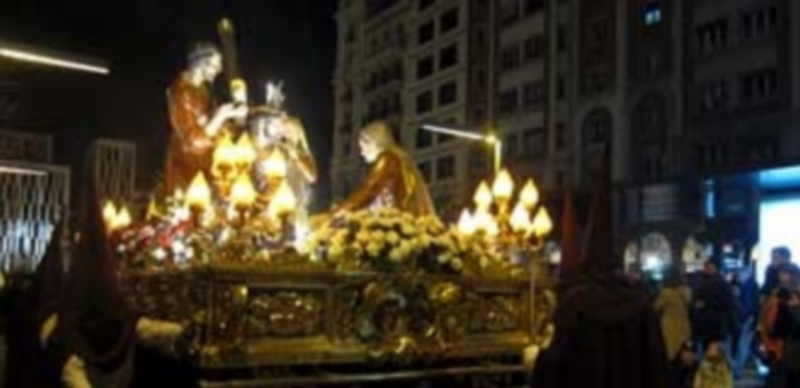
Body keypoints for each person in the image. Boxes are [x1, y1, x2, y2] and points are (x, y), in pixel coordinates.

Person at [530, 151, 667, 388]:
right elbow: (658, 368)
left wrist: (535, 359)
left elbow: (554, 367)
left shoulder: (573, 305)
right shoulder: (642, 304)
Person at [165, 42, 248, 194]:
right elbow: (192, 142)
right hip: (186, 168)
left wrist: (232, 117)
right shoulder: (181, 92)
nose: (219, 69)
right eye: (215, 64)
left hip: (208, 166)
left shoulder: (204, 90)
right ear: (200, 63)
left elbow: (212, 125)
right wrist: (221, 115)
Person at [331, 121, 435, 217]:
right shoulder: (399, 158)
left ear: (372, 141)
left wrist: (339, 211)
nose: (361, 153)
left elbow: (369, 190)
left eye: (362, 147)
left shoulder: (387, 159)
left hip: (396, 221)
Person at [692, 259, 739, 359]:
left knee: (710, 352)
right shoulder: (723, 283)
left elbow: (700, 303)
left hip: (710, 325)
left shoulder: (709, 283)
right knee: (717, 353)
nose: (705, 269)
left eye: (707, 266)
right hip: (718, 325)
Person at [655, 269, 692, 385]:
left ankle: (669, 381)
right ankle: (682, 381)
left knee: (669, 357)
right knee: (683, 356)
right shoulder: (687, 292)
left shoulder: (665, 293)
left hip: (668, 327)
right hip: (684, 327)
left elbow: (656, 307)